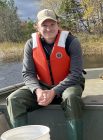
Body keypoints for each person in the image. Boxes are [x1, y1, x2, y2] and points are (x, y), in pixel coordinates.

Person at [7, 9, 85, 140]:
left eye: (52, 24)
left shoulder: (72, 42)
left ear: (58, 24)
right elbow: (28, 74)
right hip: (42, 86)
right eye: (44, 25)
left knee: (71, 98)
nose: (49, 28)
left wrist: (54, 91)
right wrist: (37, 90)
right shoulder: (30, 44)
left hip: (69, 85)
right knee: (14, 100)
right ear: (37, 26)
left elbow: (76, 74)